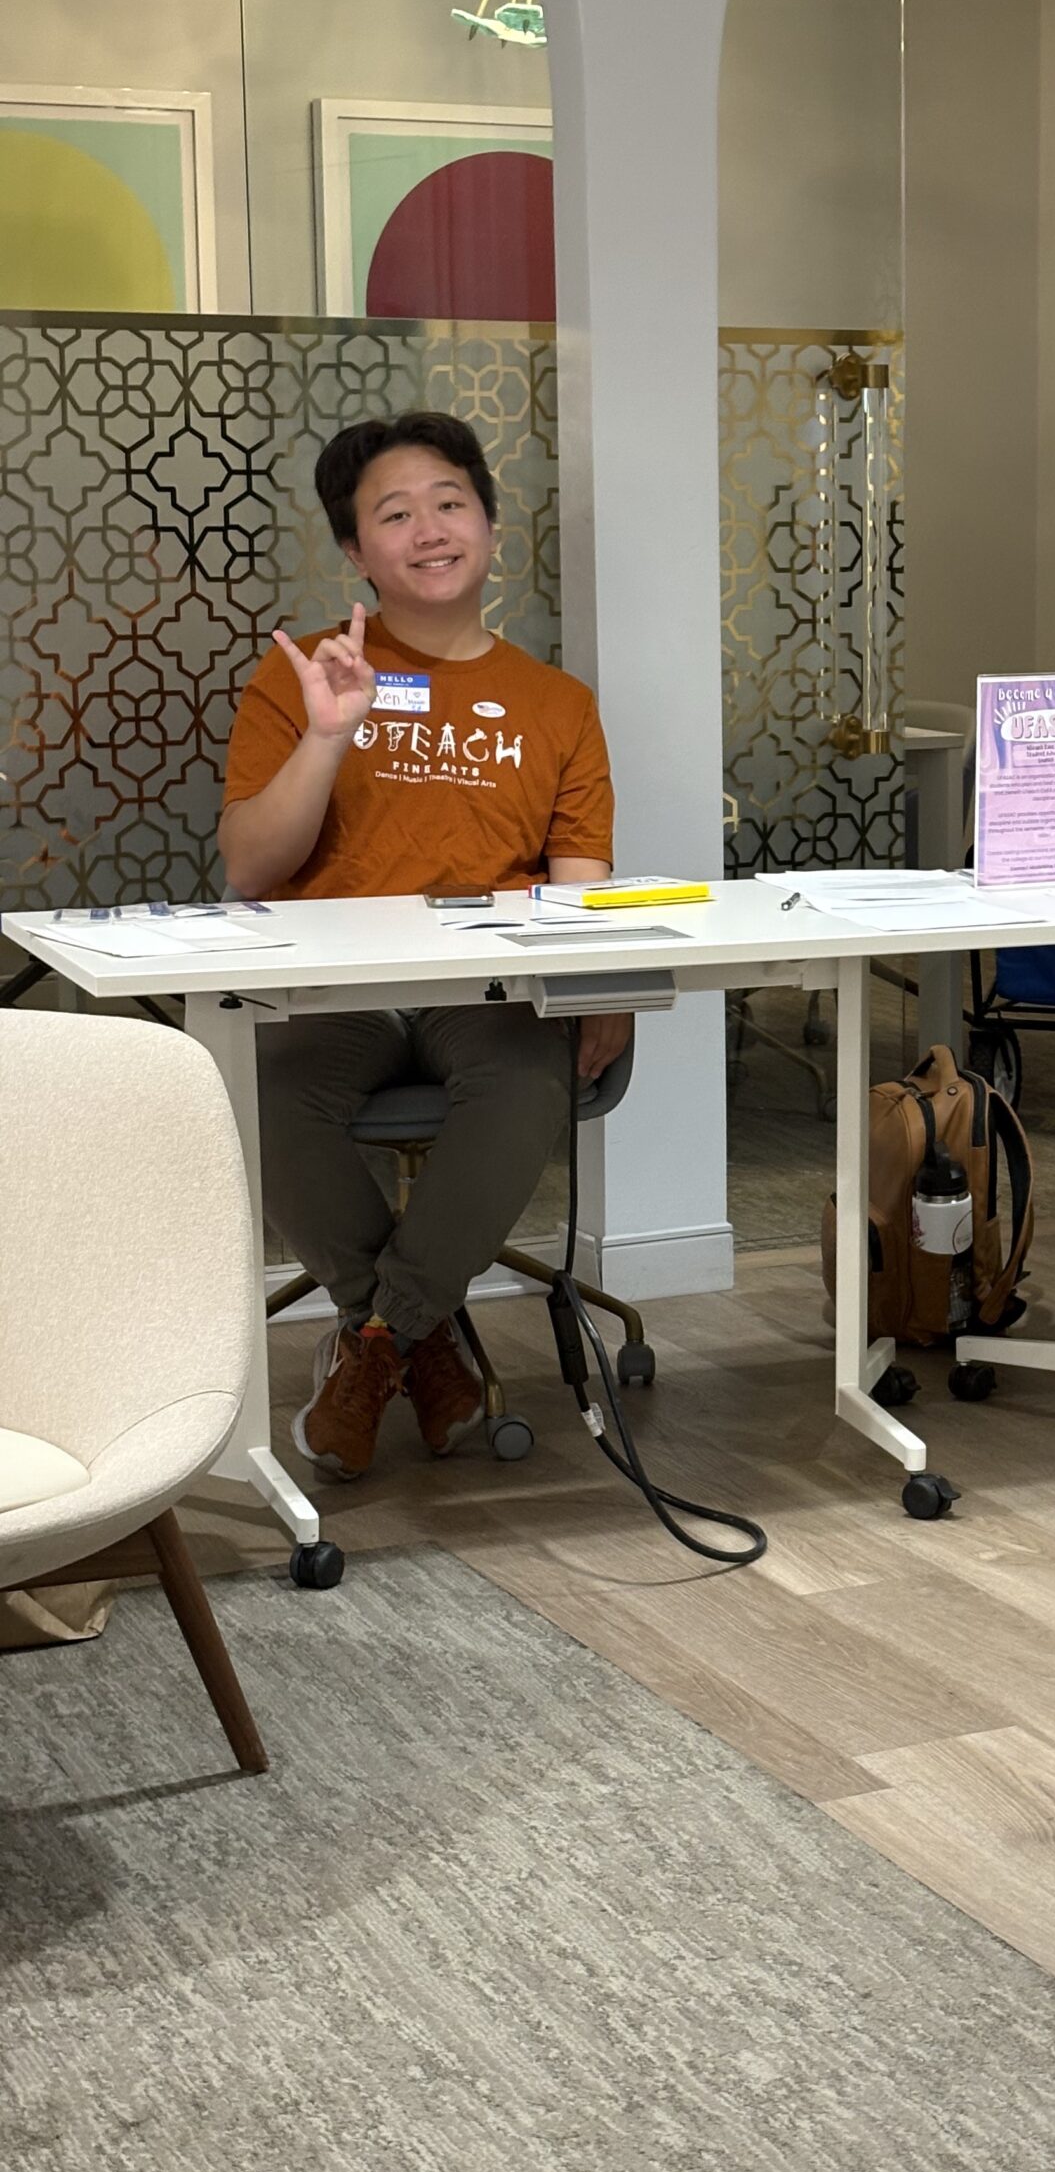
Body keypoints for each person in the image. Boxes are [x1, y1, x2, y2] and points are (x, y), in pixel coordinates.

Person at [220, 410, 631, 1480]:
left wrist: (603, 986)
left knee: (526, 1074)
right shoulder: (304, 676)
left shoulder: (557, 704)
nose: (430, 529)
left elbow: (581, 881)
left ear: (491, 527)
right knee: (262, 1086)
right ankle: (420, 1338)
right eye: (394, 514)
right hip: (332, 991)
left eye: (451, 503)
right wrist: (326, 736)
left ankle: (375, 1345)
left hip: (482, 985)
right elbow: (251, 869)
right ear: (357, 552)